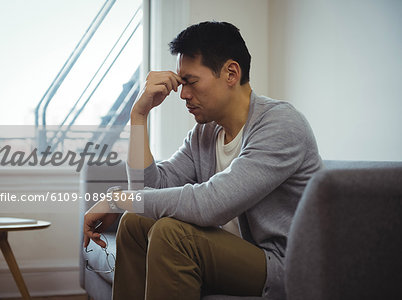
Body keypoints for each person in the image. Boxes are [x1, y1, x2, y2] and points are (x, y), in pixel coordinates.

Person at [83, 21, 322, 300]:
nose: (183, 94)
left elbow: (211, 204)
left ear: (231, 73)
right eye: (181, 83)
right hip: (231, 255)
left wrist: (117, 199)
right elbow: (147, 189)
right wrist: (139, 115)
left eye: (191, 82)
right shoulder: (206, 133)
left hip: (283, 268)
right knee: (135, 223)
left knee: (173, 234)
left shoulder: (280, 124)